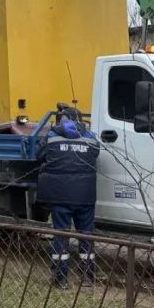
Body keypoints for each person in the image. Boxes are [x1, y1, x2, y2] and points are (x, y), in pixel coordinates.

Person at [36, 106, 100, 289]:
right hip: (85, 197)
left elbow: (38, 156)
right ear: (80, 120)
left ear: (61, 120)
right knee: (86, 235)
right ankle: (88, 277)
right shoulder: (90, 138)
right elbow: (96, 153)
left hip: (60, 196)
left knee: (61, 235)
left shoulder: (51, 137)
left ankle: (61, 279)